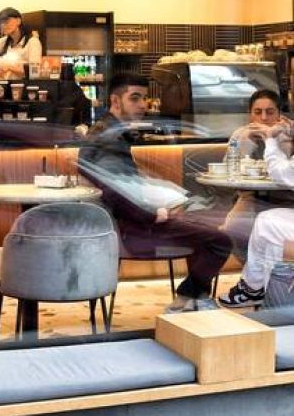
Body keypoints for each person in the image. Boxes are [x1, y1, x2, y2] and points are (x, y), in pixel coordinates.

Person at [79, 72, 232, 311]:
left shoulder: (106, 130)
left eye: (145, 98)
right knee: (220, 241)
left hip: (121, 222)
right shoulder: (111, 138)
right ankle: (186, 299)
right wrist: (154, 214)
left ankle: (195, 300)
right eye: (135, 98)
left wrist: (160, 198)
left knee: (201, 223)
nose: (143, 105)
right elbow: (114, 192)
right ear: (115, 101)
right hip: (133, 229)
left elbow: (119, 185)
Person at [220, 119, 294, 306]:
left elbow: (283, 174)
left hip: (286, 197)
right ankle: (261, 292)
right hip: (252, 196)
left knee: (269, 227)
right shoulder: (242, 133)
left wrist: (270, 139)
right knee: (266, 221)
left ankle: (260, 293)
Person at [0, 7, 42, 79]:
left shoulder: (33, 42)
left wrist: (9, 66)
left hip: (23, 84)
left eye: (6, 21)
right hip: (3, 83)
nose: (3, 26)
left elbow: (35, 72)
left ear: (18, 21)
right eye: (0, 23)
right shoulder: (5, 41)